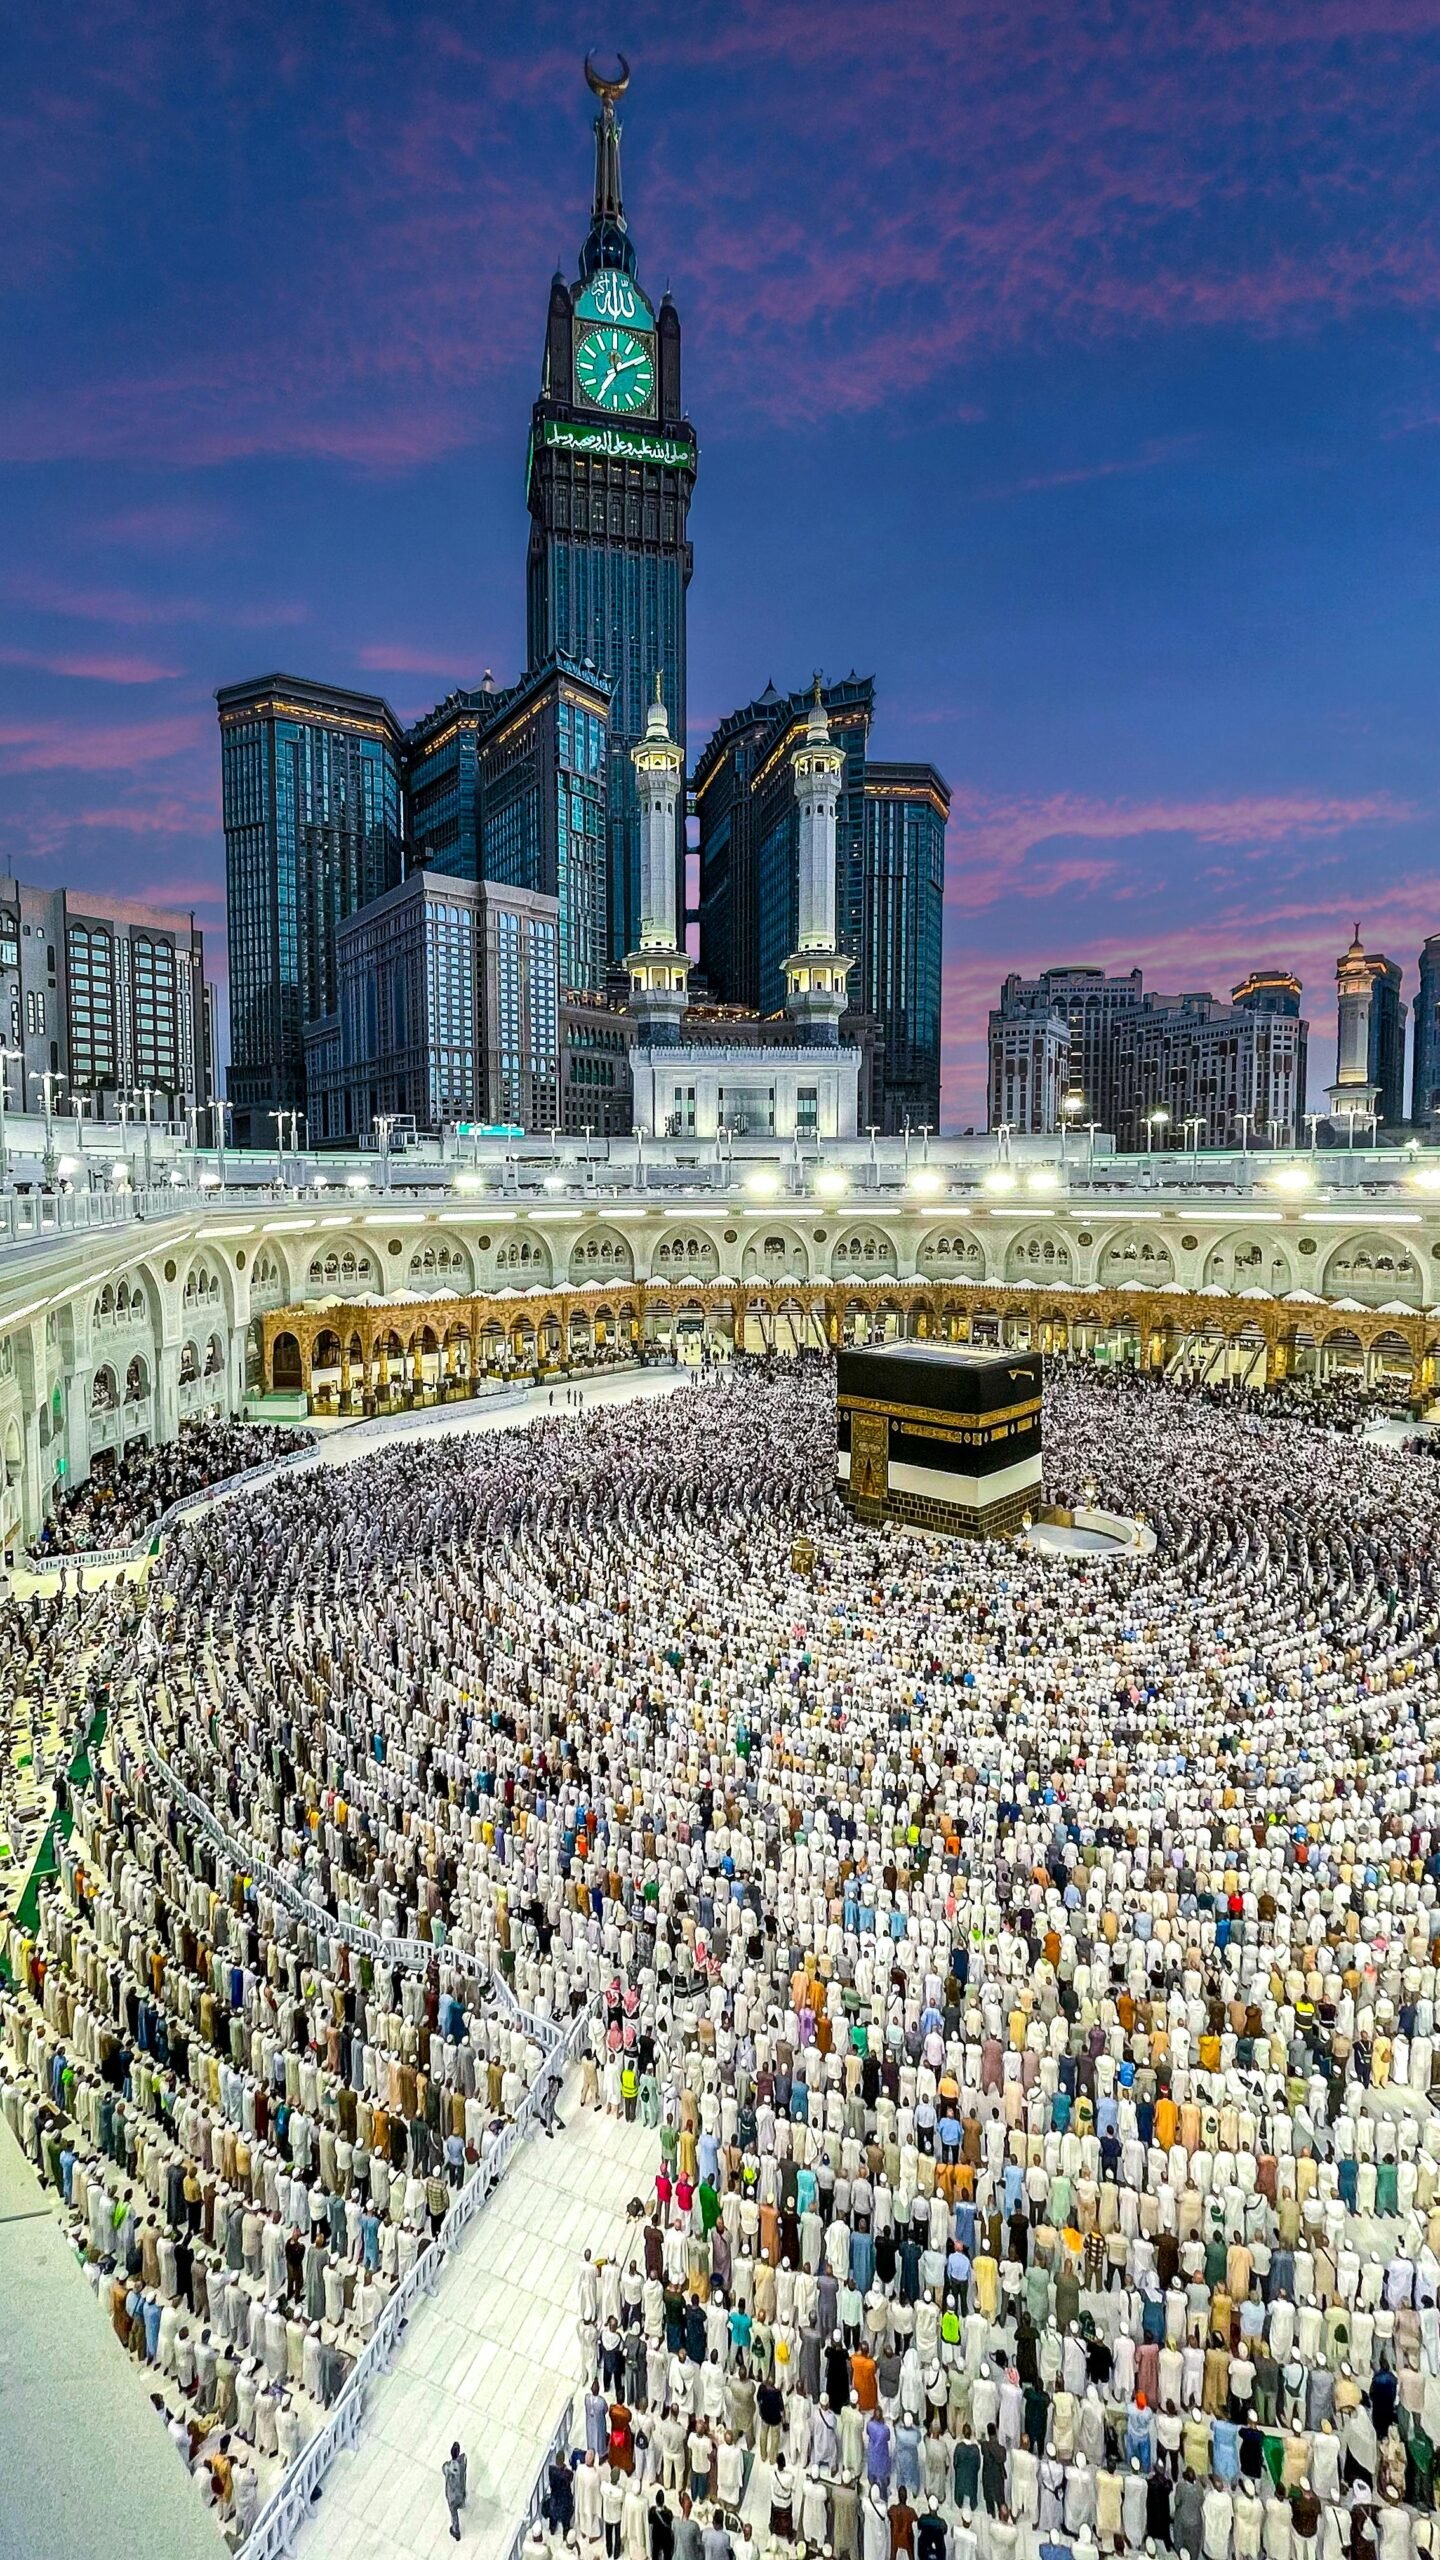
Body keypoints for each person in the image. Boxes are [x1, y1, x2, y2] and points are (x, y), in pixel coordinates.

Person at [444, 2441, 468, 2542]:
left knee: (454, 2514)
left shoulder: (447, 2467)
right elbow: (465, 2459)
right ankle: (462, 2504)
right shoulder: (462, 2463)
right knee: (462, 2498)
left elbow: (444, 2470)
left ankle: (456, 2530)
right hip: (461, 2492)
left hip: (451, 2495)